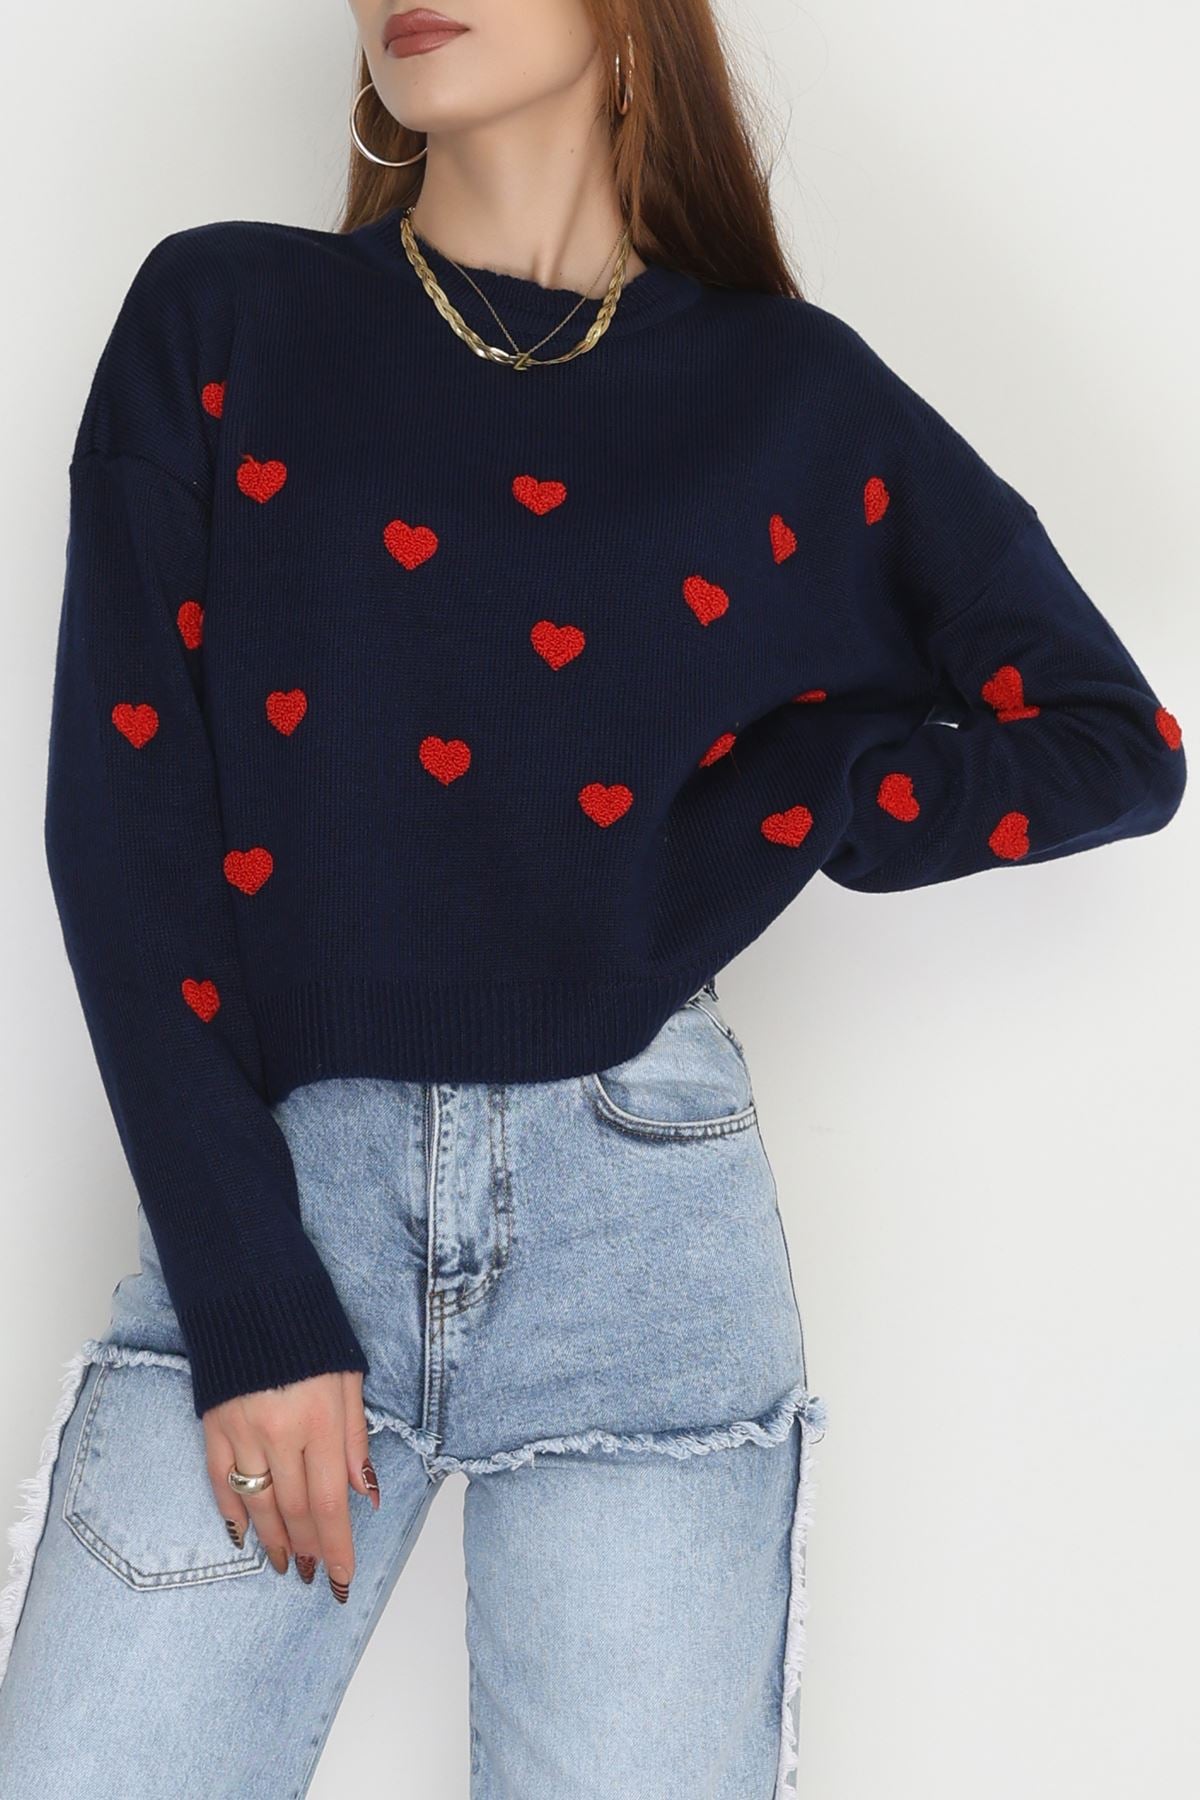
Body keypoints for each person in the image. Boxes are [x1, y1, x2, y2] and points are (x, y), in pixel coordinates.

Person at [0, 3, 1186, 1795]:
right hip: (284, 1189)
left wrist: (804, 789)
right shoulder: (227, 315)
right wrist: (250, 1294)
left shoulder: (789, 397)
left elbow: (1114, 741)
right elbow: (125, 825)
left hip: (647, 1228)